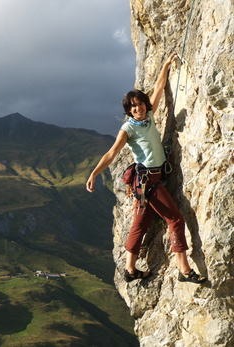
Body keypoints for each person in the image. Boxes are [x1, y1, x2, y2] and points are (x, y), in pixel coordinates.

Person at [86, 52, 206, 284]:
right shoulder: (128, 129)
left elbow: (159, 89)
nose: (138, 108)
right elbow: (112, 153)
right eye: (133, 106)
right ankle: (184, 270)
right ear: (128, 110)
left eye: (140, 104)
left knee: (139, 225)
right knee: (176, 220)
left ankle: (130, 270)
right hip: (148, 181)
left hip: (146, 182)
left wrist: (166, 65)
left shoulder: (149, 116)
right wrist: (94, 173)